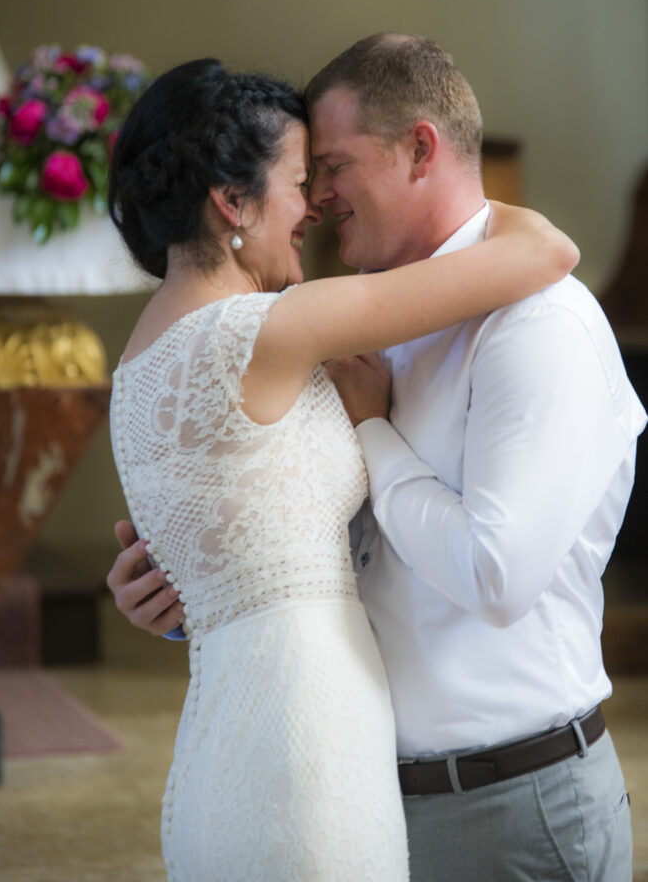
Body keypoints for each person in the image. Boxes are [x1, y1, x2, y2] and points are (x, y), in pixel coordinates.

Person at [106, 49, 579, 882]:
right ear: (230, 203)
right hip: (306, 735)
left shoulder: (138, 365)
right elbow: (544, 252)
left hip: (223, 731)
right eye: (299, 180)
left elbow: (228, 544)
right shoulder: (271, 332)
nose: (314, 208)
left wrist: (167, 598)